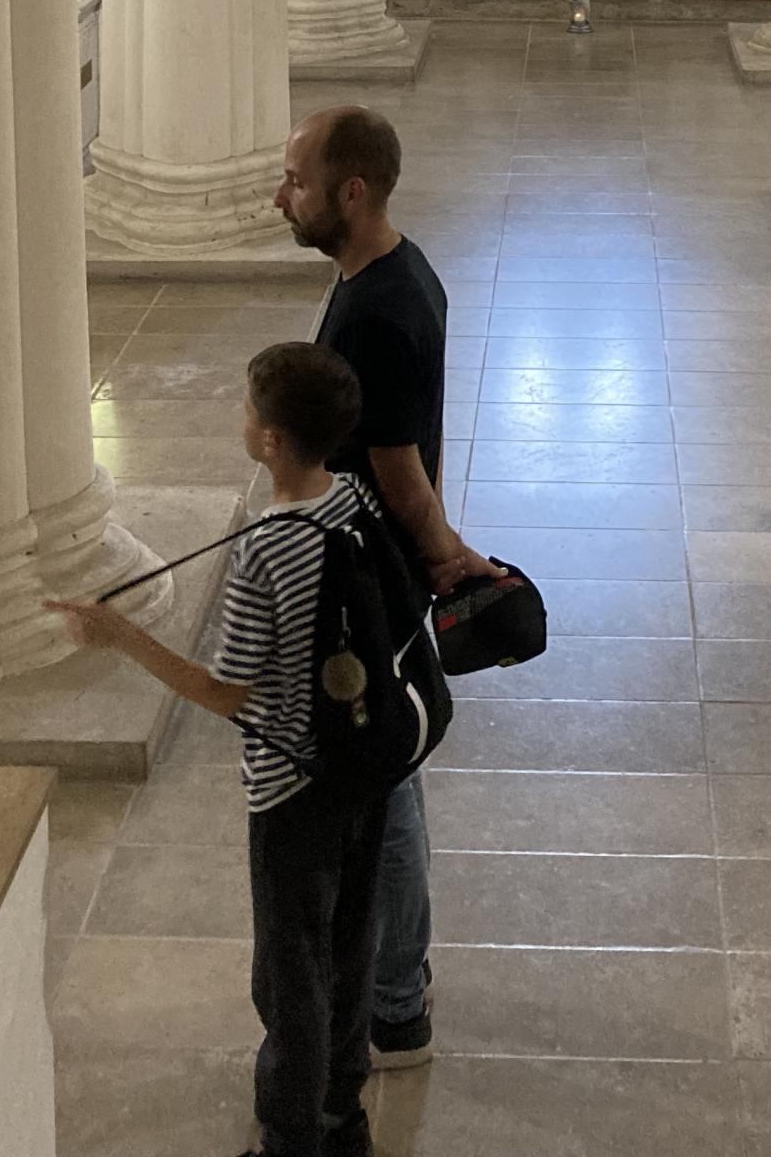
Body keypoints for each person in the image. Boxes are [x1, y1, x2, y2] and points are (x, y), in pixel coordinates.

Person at [49, 343, 387, 1157]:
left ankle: (291, 1137)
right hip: (362, 767)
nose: (238, 419)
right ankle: (345, 1116)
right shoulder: (356, 507)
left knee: (288, 977)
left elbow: (225, 692)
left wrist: (121, 635)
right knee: (348, 944)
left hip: (291, 790)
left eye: (246, 410)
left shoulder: (266, 548)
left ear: (272, 440)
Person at [275, 106, 500, 1070]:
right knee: (384, 779)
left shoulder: (380, 312)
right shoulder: (392, 272)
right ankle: (392, 981)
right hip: (374, 564)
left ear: (350, 192)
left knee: (389, 783)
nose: (279, 194)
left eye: (295, 179)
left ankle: (397, 1000)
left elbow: (399, 469)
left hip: (370, 578)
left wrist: (447, 553)